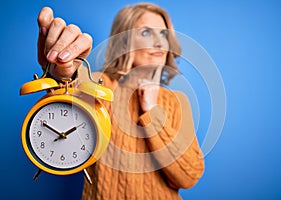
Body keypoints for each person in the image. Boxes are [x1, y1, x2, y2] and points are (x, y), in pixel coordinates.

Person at [37, 2, 204, 199]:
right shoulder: (99, 85)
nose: (159, 42)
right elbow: (59, 111)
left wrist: (151, 111)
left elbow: (188, 176)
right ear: (124, 42)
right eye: (145, 33)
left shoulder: (177, 101)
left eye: (163, 34)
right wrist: (61, 72)